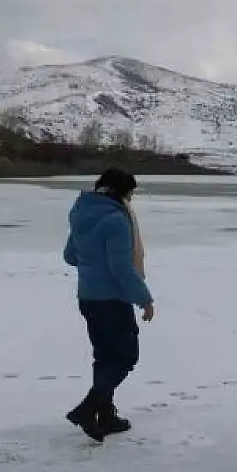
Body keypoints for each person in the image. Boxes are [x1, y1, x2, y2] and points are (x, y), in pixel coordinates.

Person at [62, 167, 154, 442]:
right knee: (126, 356)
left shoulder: (80, 212)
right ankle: (89, 408)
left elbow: (70, 256)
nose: (131, 199)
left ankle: (106, 415)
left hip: (88, 297)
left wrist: (92, 263)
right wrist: (144, 299)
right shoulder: (115, 220)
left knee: (104, 357)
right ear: (120, 192)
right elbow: (121, 268)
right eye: (130, 193)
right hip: (112, 300)